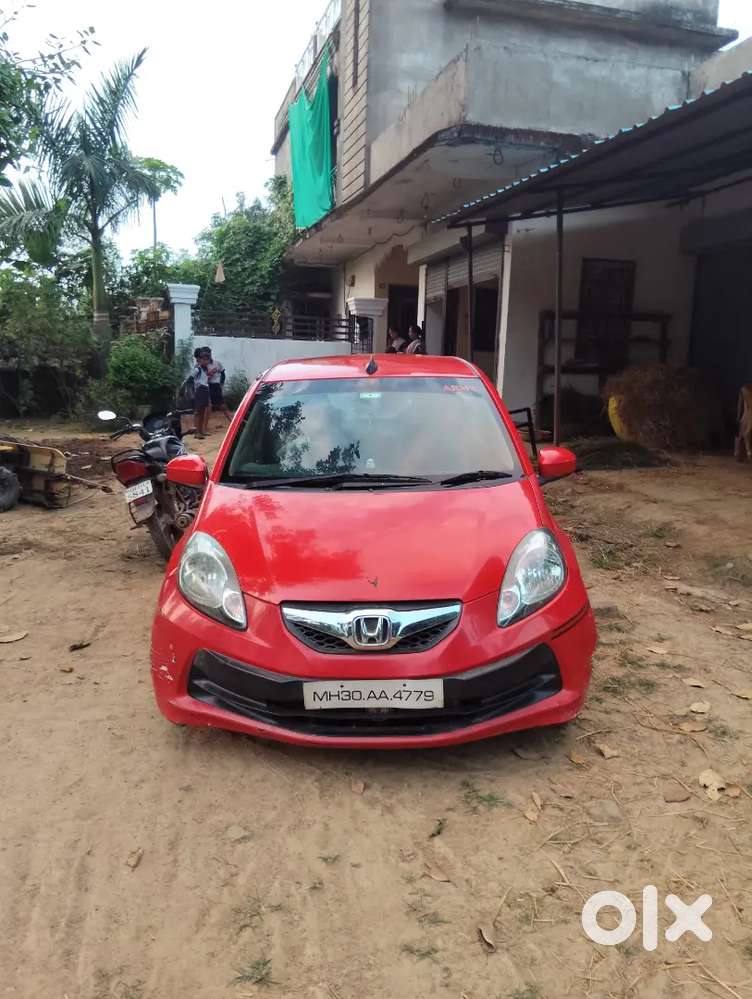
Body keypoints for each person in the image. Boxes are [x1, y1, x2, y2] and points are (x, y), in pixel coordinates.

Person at [205, 350, 231, 426]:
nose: (208, 356)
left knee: (222, 405)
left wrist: (221, 383)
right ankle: (204, 426)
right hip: (206, 386)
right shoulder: (202, 365)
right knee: (207, 407)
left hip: (215, 386)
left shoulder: (217, 363)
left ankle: (233, 422)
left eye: (209, 353)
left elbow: (223, 374)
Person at [192, 348, 212, 439]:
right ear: (201, 360)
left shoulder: (204, 369)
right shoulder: (197, 369)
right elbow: (192, 379)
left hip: (205, 390)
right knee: (198, 412)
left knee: (203, 412)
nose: (207, 361)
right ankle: (197, 432)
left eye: (207, 360)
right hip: (200, 390)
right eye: (205, 359)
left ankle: (201, 430)